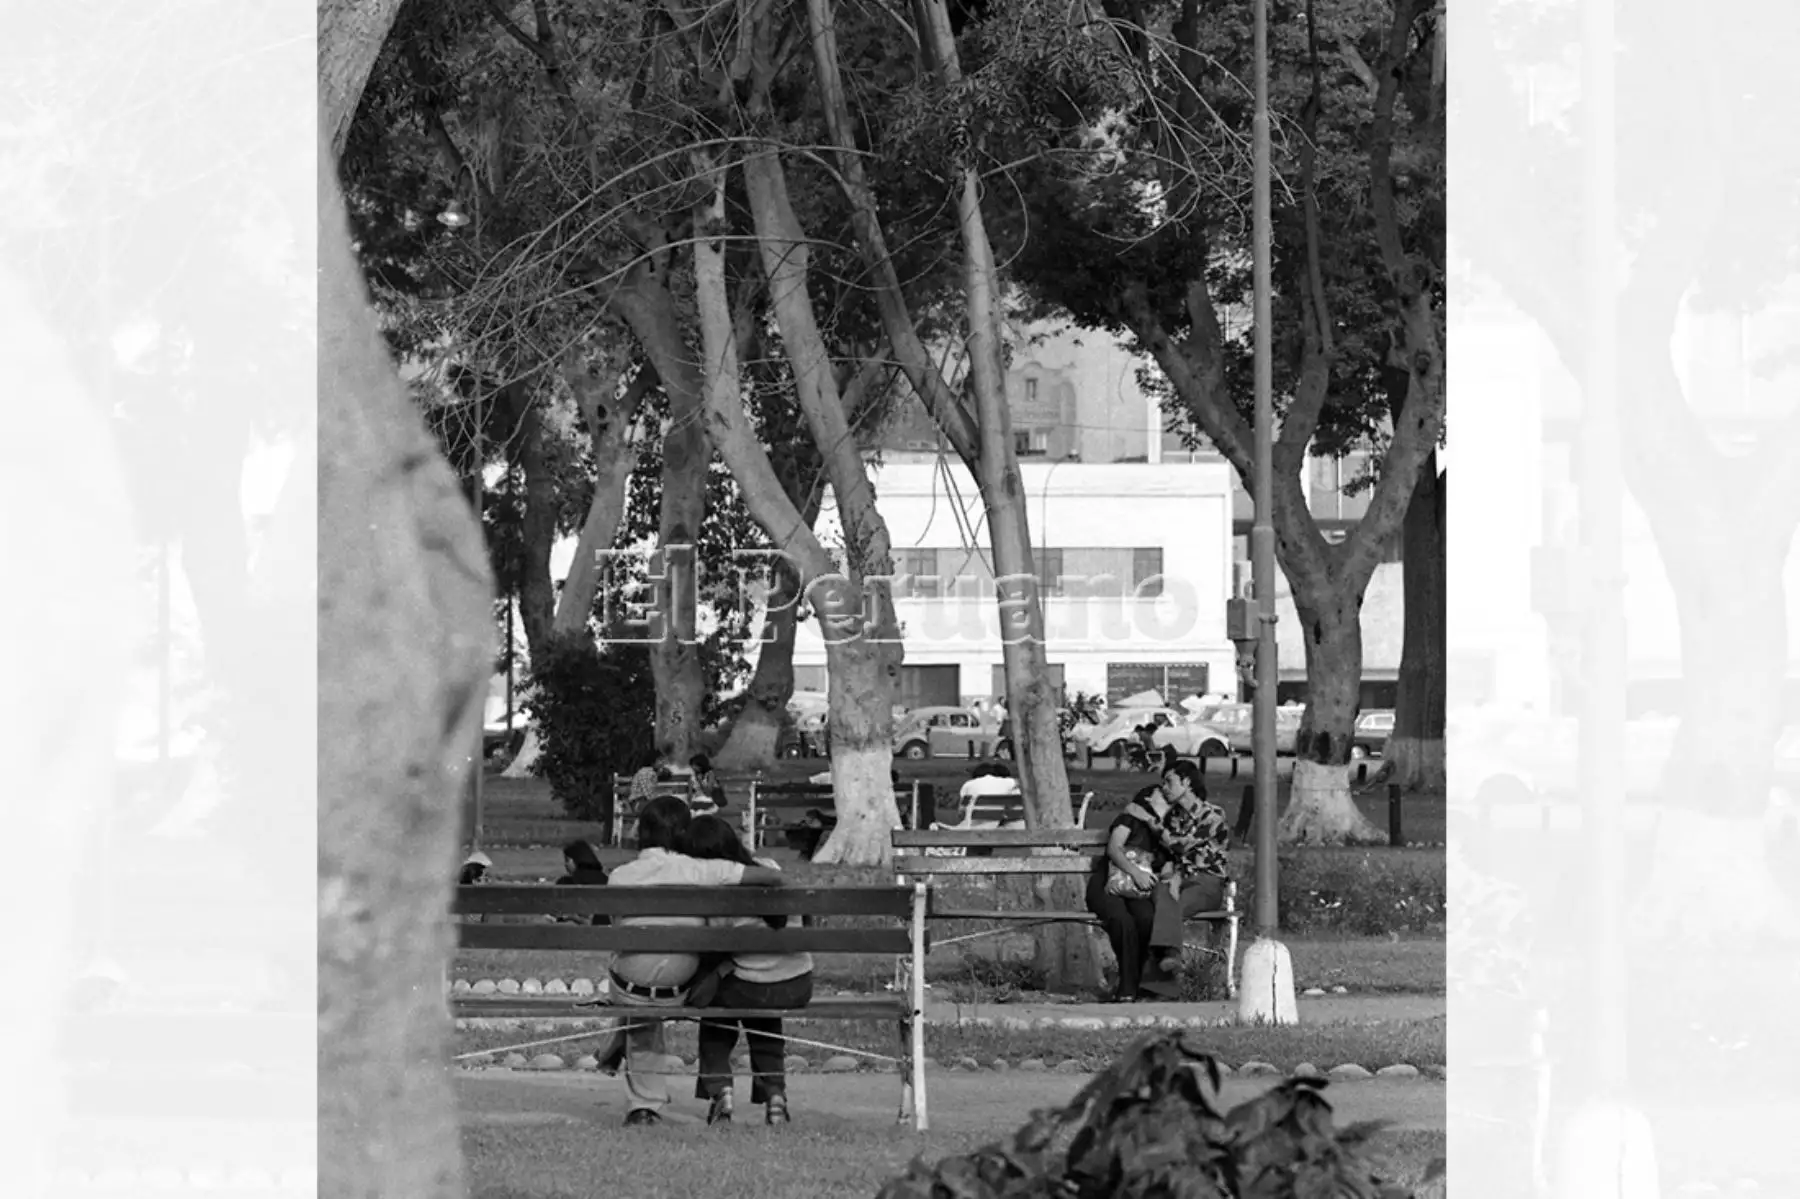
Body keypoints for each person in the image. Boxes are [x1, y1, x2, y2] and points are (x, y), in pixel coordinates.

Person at [591, 795, 783, 1127]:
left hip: (630, 989)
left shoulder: (620, 876)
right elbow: (769, 877)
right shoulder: (702, 870)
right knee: (664, 980)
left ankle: (643, 1105)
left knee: (636, 998)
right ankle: (619, 1061)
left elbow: (616, 923)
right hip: (680, 988)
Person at [681, 815, 813, 1126]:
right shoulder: (770, 866)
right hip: (796, 981)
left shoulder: (715, 886)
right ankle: (775, 1095)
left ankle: (720, 1091)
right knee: (764, 1017)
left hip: (751, 983)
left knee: (716, 1013)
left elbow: (712, 946)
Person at [1145, 759, 1232, 976]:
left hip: (1207, 881)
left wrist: (1160, 832)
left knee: (1174, 906)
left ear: (1187, 782)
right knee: (1156, 902)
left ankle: (1164, 969)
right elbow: (1164, 854)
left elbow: (1186, 846)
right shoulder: (1171, 818)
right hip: (1175, 879)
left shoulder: (1213, 815)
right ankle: (1169, 960)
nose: (1164, 788)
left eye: (1169, 782)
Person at [1085, 785, 1168, 1001]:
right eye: (1163, 794)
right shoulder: (1128, 820)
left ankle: (1140, 983)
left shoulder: (1163, 832)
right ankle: (1128, 988)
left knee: (1146, 919)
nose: (1168, 798)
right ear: (1149, 799)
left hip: (1137, 892)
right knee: (1121, 921)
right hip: (1108, 884)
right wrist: (1136, 872)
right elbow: (1114, 848)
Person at [553, 839, 609, 926]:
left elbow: (557, 914)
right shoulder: (606, 880)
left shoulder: (566, 882)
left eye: (567, 860)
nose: (565, 865)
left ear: (573, 860)